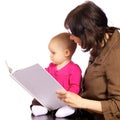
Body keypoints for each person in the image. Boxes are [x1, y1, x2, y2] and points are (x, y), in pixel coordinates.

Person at [56, 1, 120, 120]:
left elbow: (118, 107)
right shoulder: (100, 44)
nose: (71, 38)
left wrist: (81, 103)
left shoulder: (116, 55)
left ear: (88, 33)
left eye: (74, 33)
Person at [30, 32, 82, 118]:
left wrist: (68, 96)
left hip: (65, 99)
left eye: (53, 53)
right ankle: (42, 108)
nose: (50, 56)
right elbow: (42, 76)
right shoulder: (51, 66)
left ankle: (67, 109)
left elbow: (75, 86)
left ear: (66, 53)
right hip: (50, 98)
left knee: (72, 103)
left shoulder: (74, 69)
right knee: (37, 100)